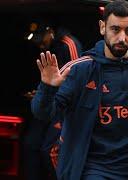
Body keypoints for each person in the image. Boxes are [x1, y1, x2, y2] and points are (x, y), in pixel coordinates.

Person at [31, 0, 128, 180]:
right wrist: (47, 88)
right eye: (115, 29)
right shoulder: (79, 69)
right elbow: (44, 114)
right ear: (102, 27)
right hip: (89, 169)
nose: (122, 38)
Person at [22, 22, 83, 180]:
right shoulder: (47, 48)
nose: (40, 44)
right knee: (31, 144)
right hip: (48, 104)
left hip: (64, 109)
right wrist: (41, 93)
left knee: (50, 151)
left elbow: (77, 81)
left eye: (42, 39)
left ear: (50, 31)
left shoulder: (68, 44)